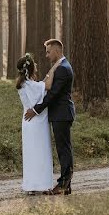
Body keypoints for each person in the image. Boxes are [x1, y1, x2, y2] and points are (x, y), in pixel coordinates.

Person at [24, 39, 75, 195]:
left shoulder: (62, 69)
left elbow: (52, 95)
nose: (46, 55)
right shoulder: (61, 66)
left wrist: (36, 110)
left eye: (48, 51)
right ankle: (66, 185)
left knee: (64, 150)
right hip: (61, 114)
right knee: (63, 149)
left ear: (56, 51)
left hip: (62, 114)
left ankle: (64, 185)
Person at [16, 54, 53, 194]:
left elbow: (41, 86)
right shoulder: (32, 85)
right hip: (38, 123)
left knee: (31, 154)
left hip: (28, 123)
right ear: (31, 68)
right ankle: (43, 184)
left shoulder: (26, 84)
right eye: (35, 64)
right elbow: (47, 85)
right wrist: (53, 69)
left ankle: (31, 185)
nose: (36, 65)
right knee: (42, 152)